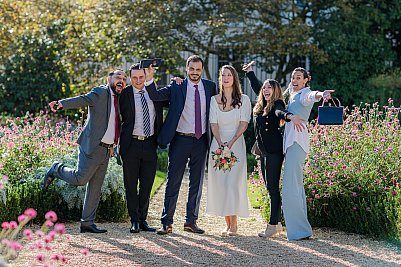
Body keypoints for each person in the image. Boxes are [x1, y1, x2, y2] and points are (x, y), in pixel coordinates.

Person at [44, 69, 127, 234]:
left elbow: (114, 125)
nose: (121, 81)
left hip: (107, 149)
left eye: (124, 79)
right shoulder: (100, 92)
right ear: (109, 79)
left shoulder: (120, 98)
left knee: (95, 188)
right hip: (92, 146)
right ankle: (56, 169)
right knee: (80, 179)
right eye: (118, 77)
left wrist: (113, 146)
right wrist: (61, 104)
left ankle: (87, 223)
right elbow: (82, 99)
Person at [144, 55, 217, 235]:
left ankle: (191, 221)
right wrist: (149, 78)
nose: (194, 72)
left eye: (198, 69)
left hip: (201, 140)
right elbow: (155, 96)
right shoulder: (177, 86)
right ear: (187, 69)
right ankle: (167, 222)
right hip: (180, 139)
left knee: (196, 183)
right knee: (173, 181)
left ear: (201, 70)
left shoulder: (210, 87)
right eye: (191, 69)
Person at [242, 62, 304, 238]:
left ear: (276, 91)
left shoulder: (276, 103)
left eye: (270, 88)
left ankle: (272, 225)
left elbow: (279, 112)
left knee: (273, 189)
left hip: (274, 152)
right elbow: (256, 86)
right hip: (263, 151)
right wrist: (250, 73)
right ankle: (276, 224)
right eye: (265, 88)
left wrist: (288, 116)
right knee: (270, 188)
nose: (266, 90)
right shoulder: (262, 105)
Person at [282, 67, 334, 240]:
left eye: (298, 77)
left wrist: (322, 94)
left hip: (297, 142)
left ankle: (299, 231)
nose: (295, 80)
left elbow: (312, 96)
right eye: (293, 78)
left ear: (306, 80)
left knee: (290, 186)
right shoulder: (292, 93)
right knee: (295, 185)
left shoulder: (305, 94)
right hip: (291, 143)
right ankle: (302, 230)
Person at [119, 63, 165, 233]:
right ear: (130, 78)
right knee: (130, 184)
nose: (138, 81)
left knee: (147, 184)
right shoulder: (125, 94)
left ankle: (143, 219)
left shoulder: (154, 94)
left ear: (145, 76)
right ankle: (134, 220)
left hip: (150, 144)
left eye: (141, 77)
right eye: (135, 78)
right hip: (130, 144)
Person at [205, 65, 251, 236]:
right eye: (223, 75)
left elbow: (244, 123)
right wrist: (219, 143)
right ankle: (226, 223)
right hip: (218, 144)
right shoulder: (214, 99)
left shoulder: (244, 99)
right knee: (221, 184)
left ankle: (234, 225)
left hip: (236, 143)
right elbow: (213, 123)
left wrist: (231, 142)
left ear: (234, 78)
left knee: (232, 183)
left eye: (229, 75)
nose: (226, 78)